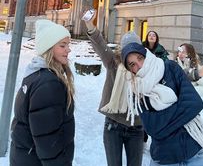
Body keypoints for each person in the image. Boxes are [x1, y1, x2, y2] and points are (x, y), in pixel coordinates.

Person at [120, 31, 203, 166]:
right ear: (130, 70)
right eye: (132, 64)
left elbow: (195, 104)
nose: (139, 65)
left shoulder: (170, 67)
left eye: (140, 58)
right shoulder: (137, 92)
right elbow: (153, 129)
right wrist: (181, 109)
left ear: (146, 54)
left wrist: (164, 122)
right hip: (165, 157)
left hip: (195, 150)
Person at [81, 10, 144, 166]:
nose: (131, 53)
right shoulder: (113, 62)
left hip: (136, 126)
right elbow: (100, 44)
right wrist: (90, 25)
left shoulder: (146, 68)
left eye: (134, 48)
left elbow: (167, 74)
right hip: (113, 125)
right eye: (127, 48)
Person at [10, 19, 75, 166]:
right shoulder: (49, 83)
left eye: (68, 45)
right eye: (62, 45)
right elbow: (48, 140)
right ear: (49, 48)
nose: (68, 49)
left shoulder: (36, 74)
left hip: (26, 157)